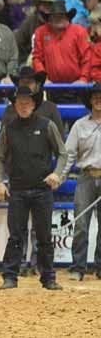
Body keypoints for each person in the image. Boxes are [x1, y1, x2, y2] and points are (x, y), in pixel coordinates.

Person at [0, 86, 67, 290]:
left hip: (42, 189)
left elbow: (62, 153)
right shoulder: (8, 128)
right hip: (17, 189)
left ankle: (48, 277)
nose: (23, 106)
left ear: (34, 104)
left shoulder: (47, 125)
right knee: (16, 235)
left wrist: (57, 174)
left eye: (27, 102)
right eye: (20, 102)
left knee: (44, 235)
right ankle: (10, 276)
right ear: (15, 105)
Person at [62, 83, 101, 281]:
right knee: (81, 225)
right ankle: (78, 267)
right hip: (86, 176)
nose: (98, 99)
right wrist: (60, 176)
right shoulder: (80, 125)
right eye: (95, 96)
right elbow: (68, 154)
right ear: (90, 100)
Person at [32, 1, 91, 103]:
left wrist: (83, 79)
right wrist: (43, 78)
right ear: (49, 19)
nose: (58, 19)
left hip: (77, 85)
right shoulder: (40, 32)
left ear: (67, 17)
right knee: (53, 116)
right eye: (54, 16)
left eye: (61, 16)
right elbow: (37, 58)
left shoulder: (79, 31)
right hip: (51, 86)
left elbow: (88, 57)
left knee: (77, 116)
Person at [14, 0, 55, 64]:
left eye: (50, 4)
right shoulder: (31, 20)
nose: (47, 7)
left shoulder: (58, 22)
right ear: (39, 6)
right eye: (44, 4)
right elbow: (17, 41)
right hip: (32, 59)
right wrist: (25, 58)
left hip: (54, 58)